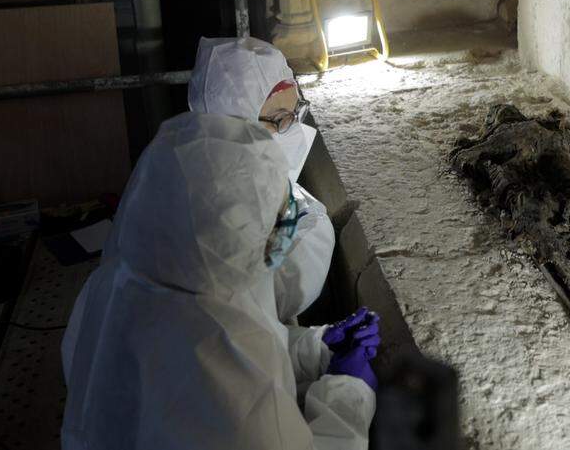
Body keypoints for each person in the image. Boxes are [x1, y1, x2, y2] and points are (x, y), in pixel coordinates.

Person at [61, 113, 379, 450]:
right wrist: (347, 395)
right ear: (236, 237)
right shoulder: (237, 411)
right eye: (277, 218)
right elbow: (228, 368)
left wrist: (311, 348)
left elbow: (216, 344)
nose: (283, 227)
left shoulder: (118, 282)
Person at [188, 36, 329, 324]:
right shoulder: (205, 221)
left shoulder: (193, 164)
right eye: (280, 118)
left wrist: (308, 346)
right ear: (235, 127)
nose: (294, 128)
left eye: (296, 112)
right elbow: (250, 318)